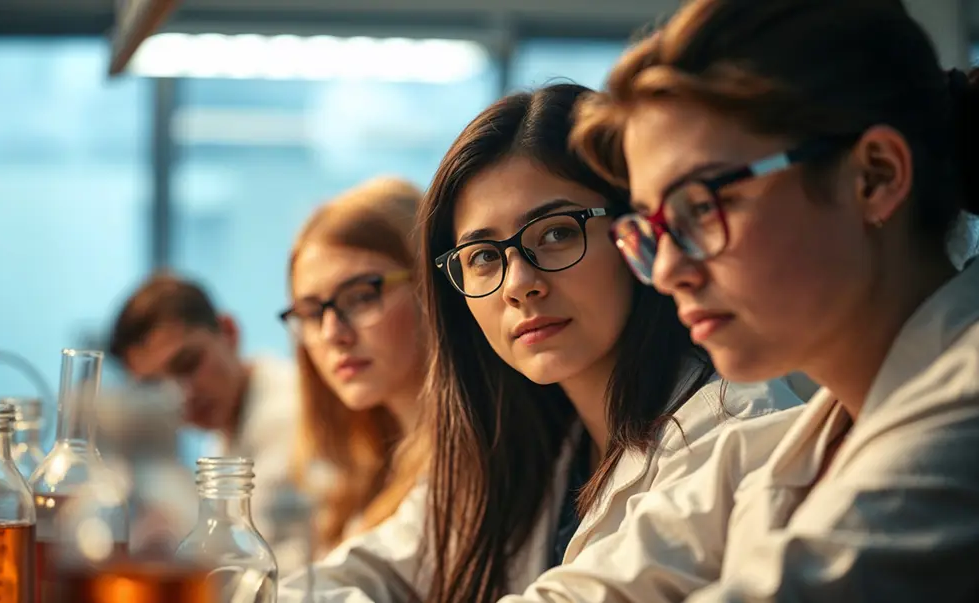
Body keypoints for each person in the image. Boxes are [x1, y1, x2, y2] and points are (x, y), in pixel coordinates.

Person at [280, 84, 807, 603]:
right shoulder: (528, 446)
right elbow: (356, 575)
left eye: (556, 233)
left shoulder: (733, 428)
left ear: (633, 230)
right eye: (484, 255)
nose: (518, 284)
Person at [558, 0, 979, 599]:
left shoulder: (965, 414)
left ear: (875, 178)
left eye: (700, 207)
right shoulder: (795, 441)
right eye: (651, 230)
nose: (668, 270)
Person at [278, 176, 428, 559]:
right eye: (311, 312)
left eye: (360, 297)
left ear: (430, 286)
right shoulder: (371, 464)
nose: (333, 333)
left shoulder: (471, 464)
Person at [108, 274, 299, 545]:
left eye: (188, 363)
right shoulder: (224, 430)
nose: (180, 396)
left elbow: (259, 559)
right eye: (155, 386)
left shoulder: (289, 414)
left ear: (229, 332)